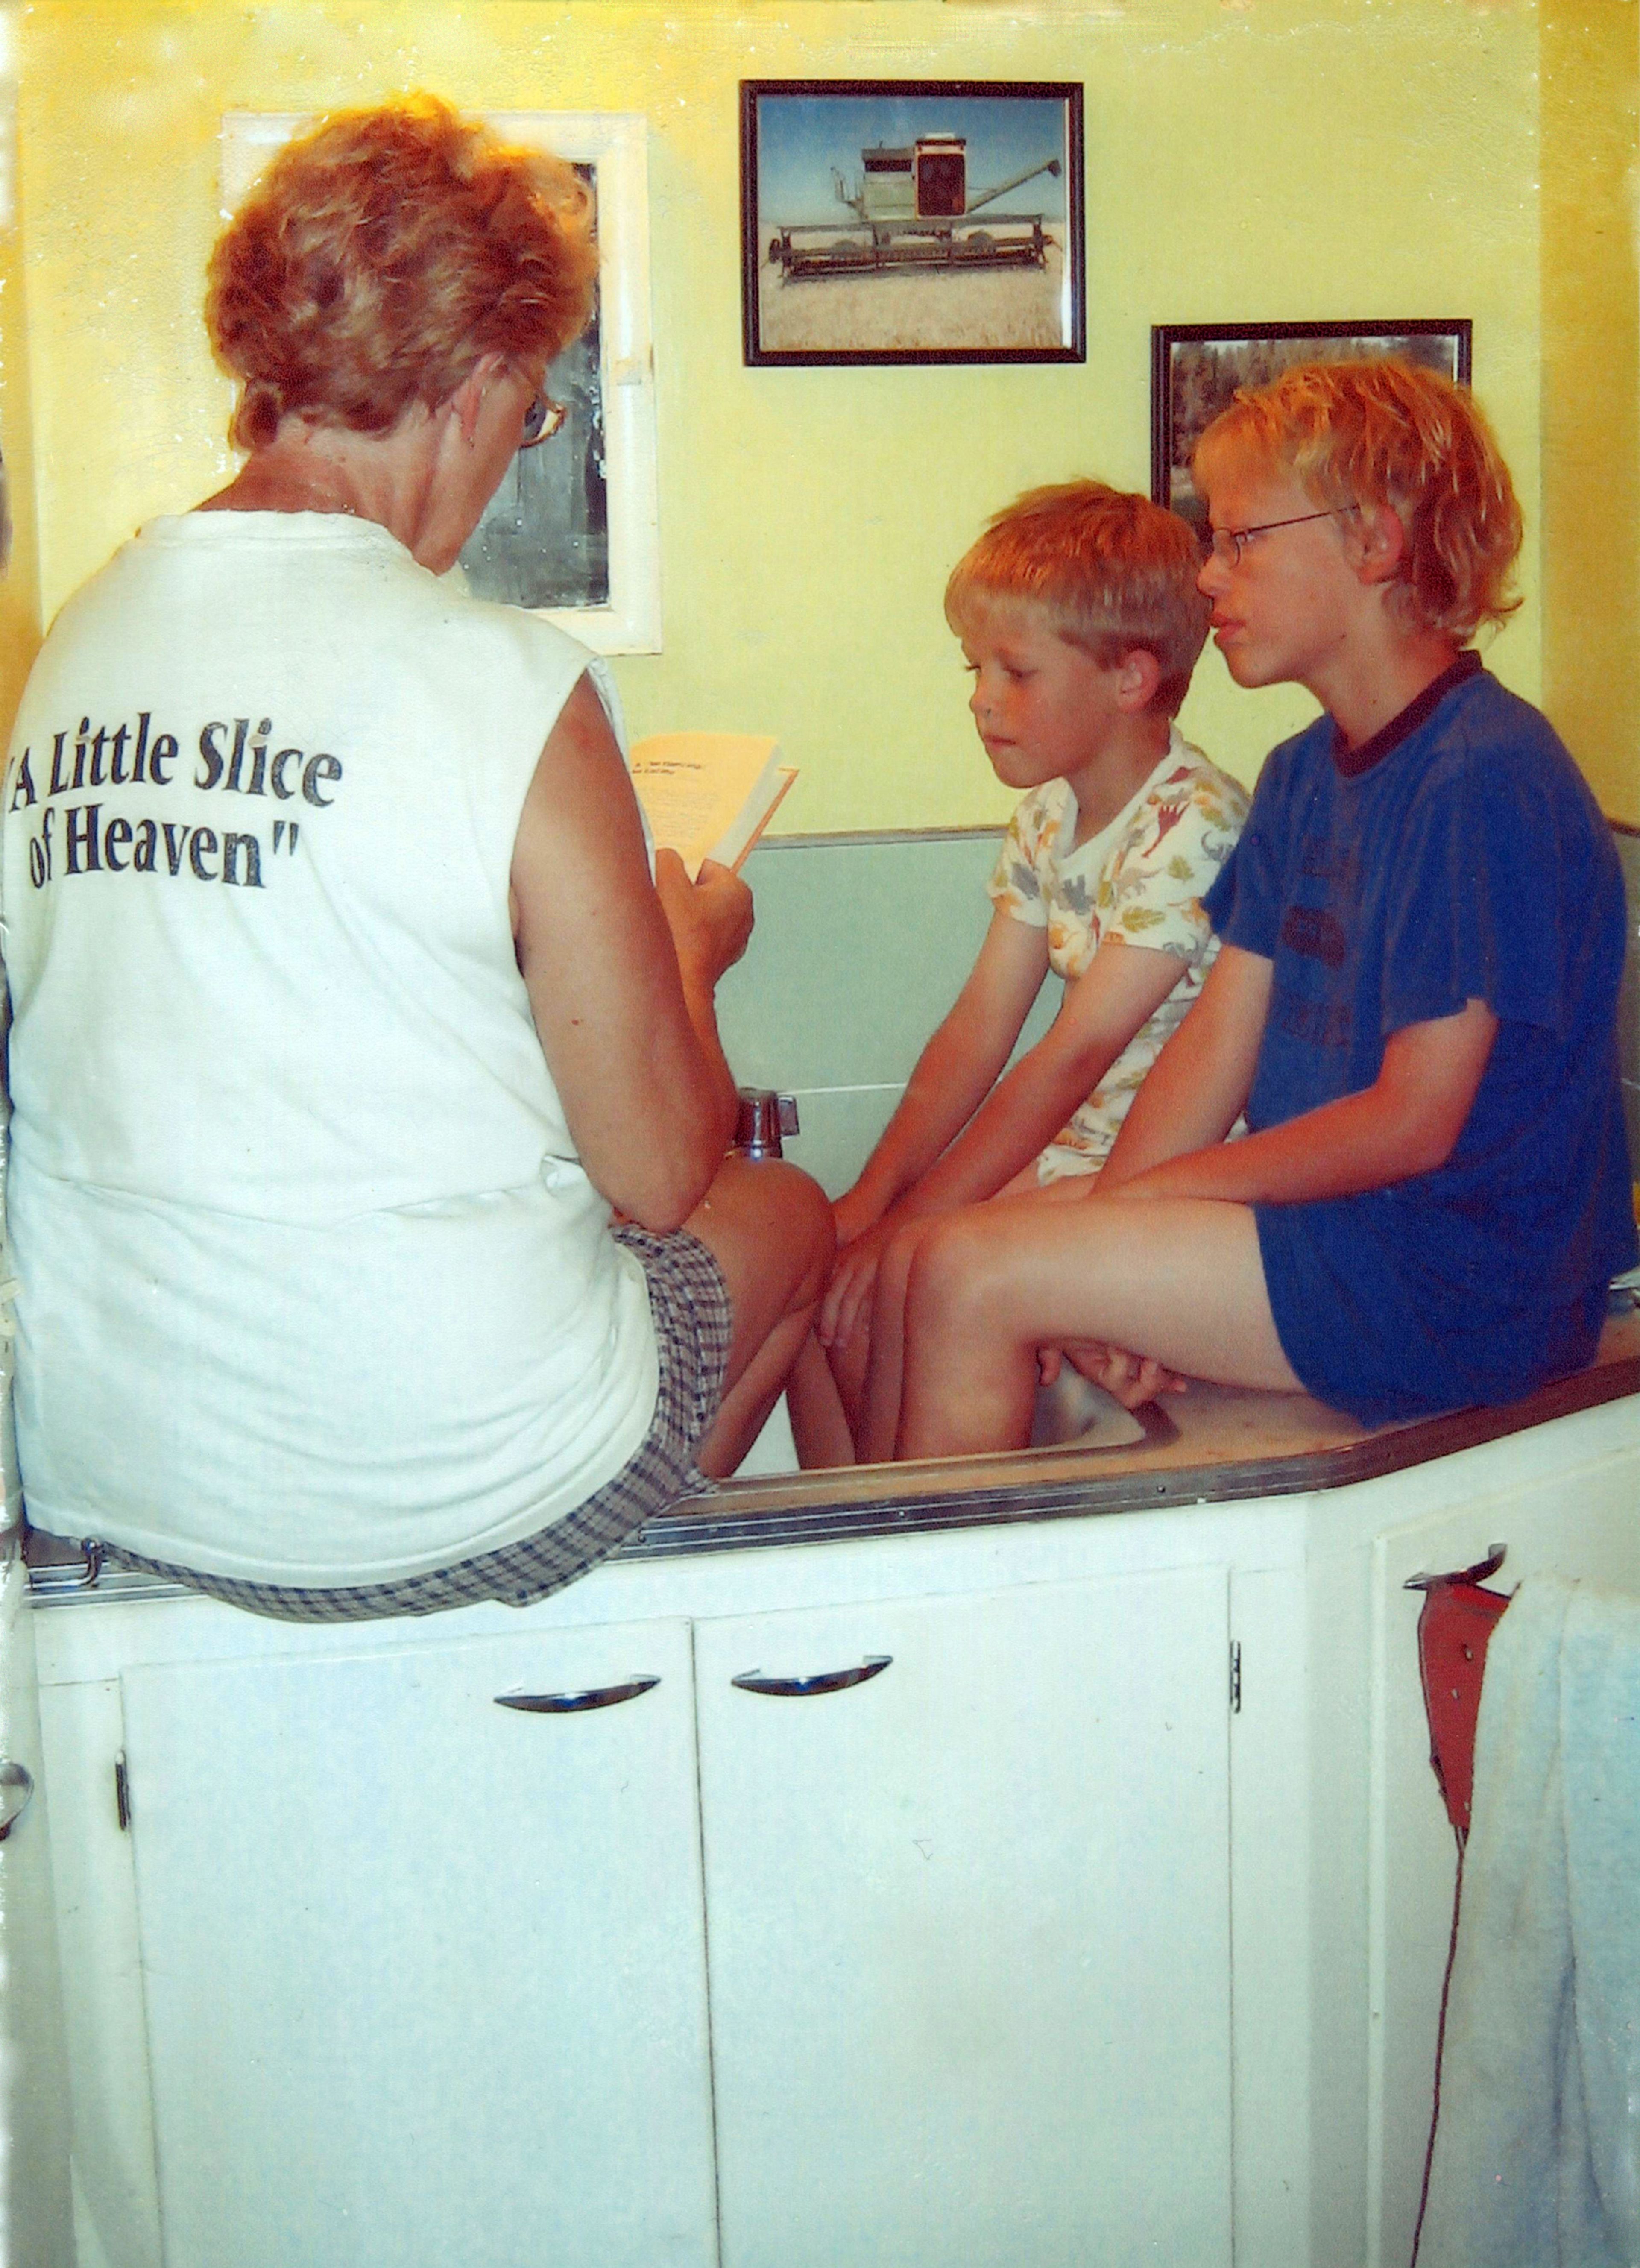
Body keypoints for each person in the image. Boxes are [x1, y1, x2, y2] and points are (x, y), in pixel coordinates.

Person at [1, 97, 833, 1617]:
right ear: (479, 385)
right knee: (783, 1215)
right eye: (530, 420)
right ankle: (605, 1582)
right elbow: (658, 1175)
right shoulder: (506, 684)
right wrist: (690, 960)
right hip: (438, 1501)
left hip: (122, 1473)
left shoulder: (79, 641)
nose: (513, 461)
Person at [888, 358, 1636, 1457]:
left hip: (1461, 1289)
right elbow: (1214, 1045)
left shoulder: (1482, 778)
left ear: (1375, 543)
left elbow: (1413, 1120)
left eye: (1241, 541)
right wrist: (1126, 1227)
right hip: (1334, 1245)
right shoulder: (1301, 776)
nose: (1206, 578)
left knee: (967, 1274)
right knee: (947, 1245)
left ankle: (928, 1628)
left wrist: (1143, 1213)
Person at [794, 481, 1246, 1464]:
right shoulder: (1048, 815)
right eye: (975, 668)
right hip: (1074, 1155)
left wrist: (910, 1224)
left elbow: (1073, 1056)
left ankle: (916, 1549)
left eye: (1016, 671)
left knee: (905, 1273)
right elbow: (975, 1034)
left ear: (1130, 679)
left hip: (1163, 1172)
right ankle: (858, 1536)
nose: (981, 697)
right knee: (822, 1285)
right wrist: (871, 1200)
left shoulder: (1193, 824)